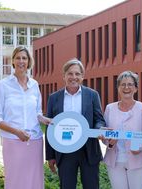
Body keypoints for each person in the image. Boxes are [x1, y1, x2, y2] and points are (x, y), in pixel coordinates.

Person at [0, 46, 51, 189]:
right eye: (18, 58)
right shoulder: (3, 85)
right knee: (15, 181)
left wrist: (44, 119)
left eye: (24, 58)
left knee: (34, 181)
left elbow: (37, 112)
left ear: (29, 61)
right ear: (13, 61)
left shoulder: (34, 85)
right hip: (13, 141)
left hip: (35, 140)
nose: (21, 61)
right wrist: (17, 132)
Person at [45, 58, 105, 189]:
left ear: (82, 76)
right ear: (64, 76)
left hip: (88, 150)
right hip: (64, 151)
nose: (74, 77)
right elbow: (49, 127)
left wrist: (98, 129)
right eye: (70, 73)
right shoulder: (54, 98)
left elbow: (99, 119)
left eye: (77, 74)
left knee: (92, 186)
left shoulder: (92, 95)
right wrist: (50, 156)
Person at [102, 71, 142, 189]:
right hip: (114, 161)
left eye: (130, 84)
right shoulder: (110, 108)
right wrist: (109, 142)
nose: (126, 88)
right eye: (123, 84)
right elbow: (105, 134)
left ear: (135, 88)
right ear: (118, 88)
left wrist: (139, 148)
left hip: (138, 160)